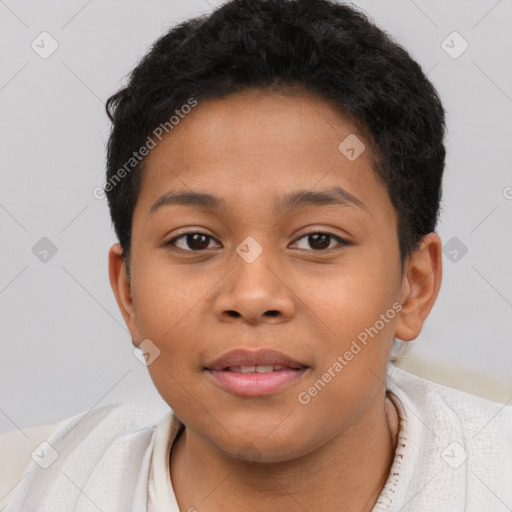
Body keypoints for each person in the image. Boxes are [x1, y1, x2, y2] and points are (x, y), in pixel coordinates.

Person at [1, 0, 511, 510]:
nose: (252, 297)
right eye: (195, 241)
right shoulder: (28, 487)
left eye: (318, 240)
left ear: (414, 286)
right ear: (128, 290)